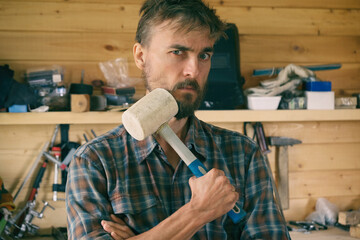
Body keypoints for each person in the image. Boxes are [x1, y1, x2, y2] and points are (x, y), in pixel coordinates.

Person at [66, 0, 290, 239]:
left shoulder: (243, 154)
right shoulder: (94, 161)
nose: (194, 70)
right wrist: (198, 212)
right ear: (141, 56)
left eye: (204, 55)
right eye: (178, 52)